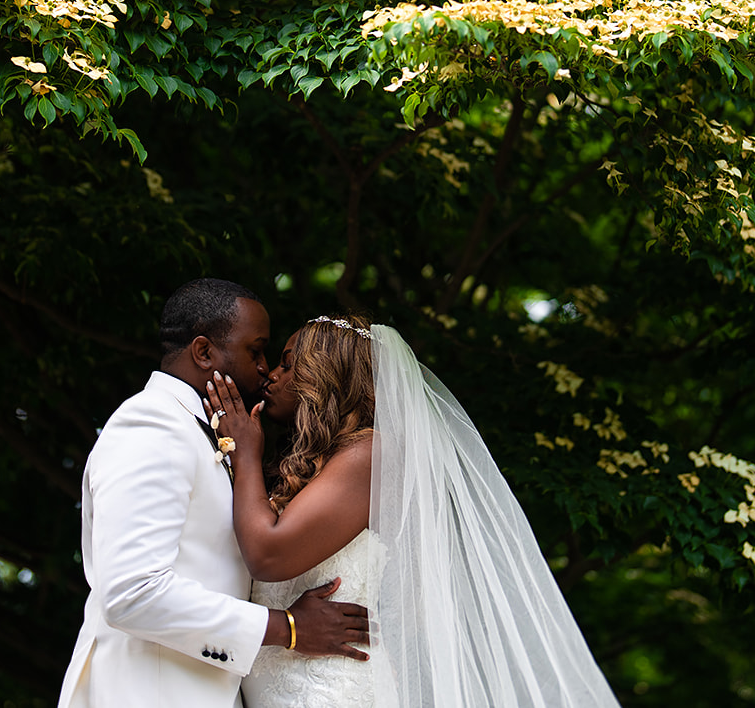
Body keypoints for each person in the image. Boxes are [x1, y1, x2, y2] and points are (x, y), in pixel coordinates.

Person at [204, 314, 622, 708]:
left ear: (325, 377)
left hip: (326, 691)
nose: (271, 376)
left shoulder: (368, 455)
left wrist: (245, 454)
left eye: (289, 365)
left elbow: (267, 554)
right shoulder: (324, 464)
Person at [56, 280, 370, 708]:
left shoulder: (216, 437)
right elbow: (132, 592)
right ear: (204, 353)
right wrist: (288, 628)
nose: (264, 369)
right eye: (255, 351)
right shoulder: (152, 424)